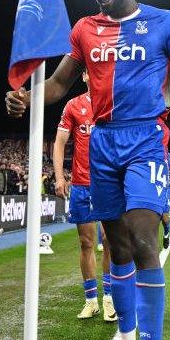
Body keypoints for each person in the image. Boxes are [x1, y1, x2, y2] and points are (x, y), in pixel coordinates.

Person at [6, 0, 170, 340]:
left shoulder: (164, 21)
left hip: (144, 142)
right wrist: (29, 97)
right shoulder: (84, 29)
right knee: (115, 246)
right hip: (101, 145)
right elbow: (61, 82)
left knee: (142, 241)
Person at [53, 71, 116, 323]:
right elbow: (59, 143)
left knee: (111, 242)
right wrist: (59, 177)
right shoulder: (73, 105)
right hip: (81, 185)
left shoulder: (115, 103)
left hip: (109, 183)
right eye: (90, 70)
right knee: (86, 243)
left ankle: (110, 299)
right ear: (84, 76)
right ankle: (91, 301)